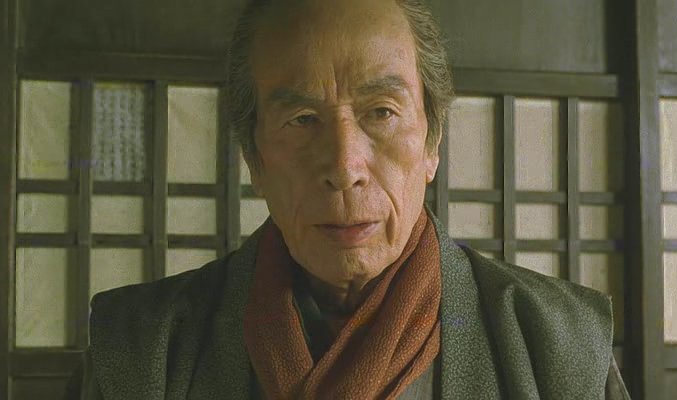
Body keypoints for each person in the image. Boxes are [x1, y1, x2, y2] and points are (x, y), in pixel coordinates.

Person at [66, 0, 630, 398]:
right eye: (301, 118)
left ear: (432, 142)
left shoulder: (558, 346)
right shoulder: (141, 350)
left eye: (381, 112)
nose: (344, 167)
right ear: (253, 158)